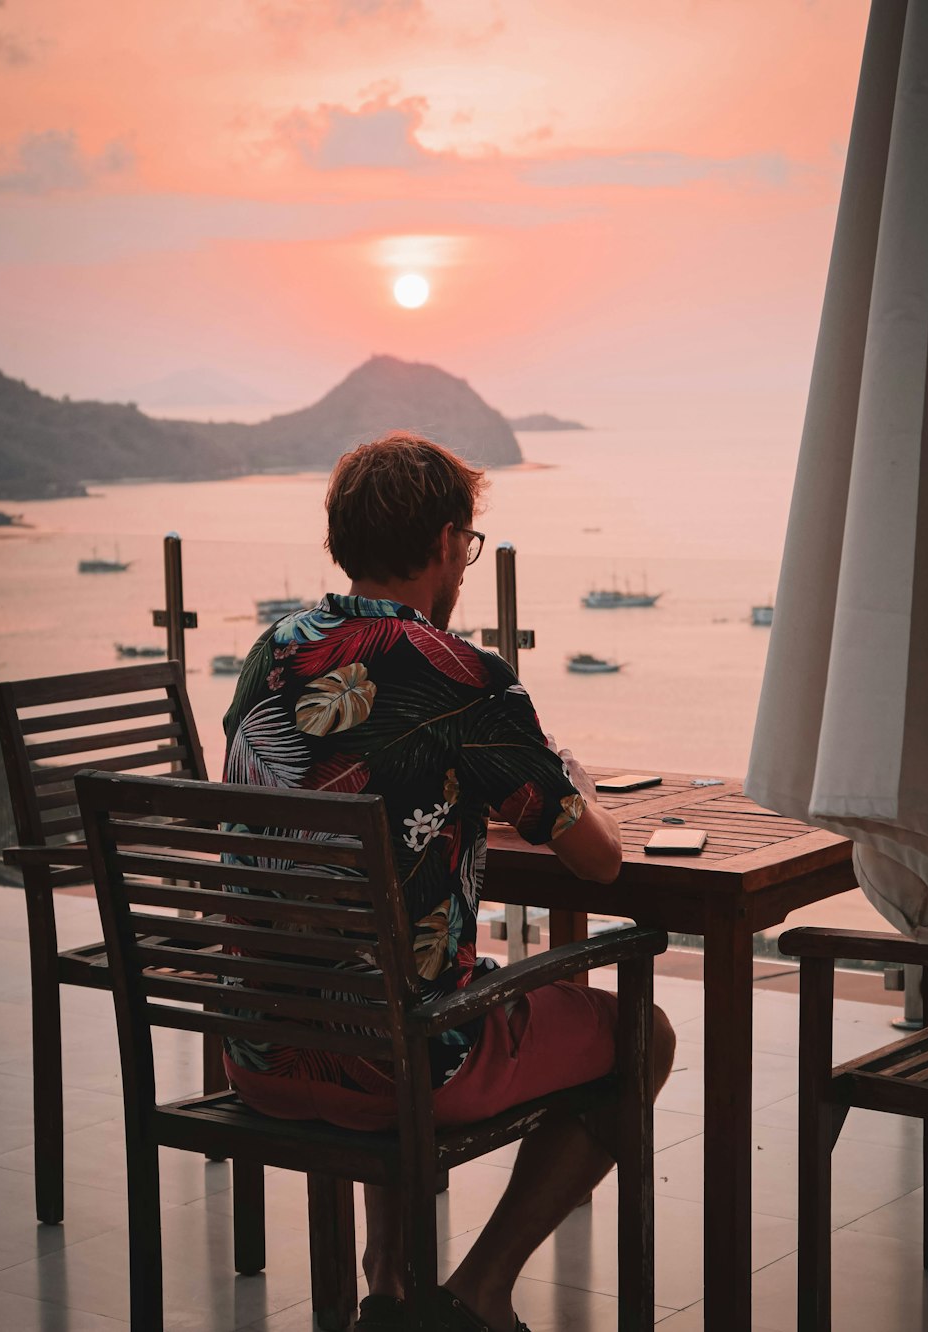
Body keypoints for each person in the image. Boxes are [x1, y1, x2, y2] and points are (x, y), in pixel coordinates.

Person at [221, 431, 676, 1332]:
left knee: (387, 978)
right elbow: (599, 861)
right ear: (442, 545)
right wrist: (570, 787)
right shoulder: (462, 679)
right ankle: (478, 1292)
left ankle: (388, 1285)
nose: (464, 565)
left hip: (261, 1048)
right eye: (465, 547)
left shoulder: (270, 653)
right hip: (404, 1067)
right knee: (644, 1036)